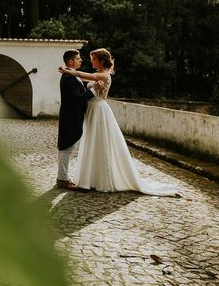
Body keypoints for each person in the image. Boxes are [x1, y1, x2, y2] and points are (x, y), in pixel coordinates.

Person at [59, 48, 179, 196]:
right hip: (93, 111)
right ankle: (90, 177)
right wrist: (70, 72)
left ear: (102, 61)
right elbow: (84, 78)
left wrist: (68, 70)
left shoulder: (103, 75)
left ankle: (100, 178)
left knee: (100, 143)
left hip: (98, 110)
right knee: (92, 143)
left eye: (94, 59)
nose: (91, 61)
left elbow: (82, 75)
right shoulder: (97, 75)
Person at [56, 49, 96, 190]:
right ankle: (62, 179)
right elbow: (76, 99)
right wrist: (92, 92)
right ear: (71, 61)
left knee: (67, 147)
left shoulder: (71, 75)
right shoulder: (69, 78)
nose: (81, 60)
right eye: (78, 58)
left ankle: (63, 177)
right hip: (70, 116)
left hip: (71, 116)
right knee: (66, 148)